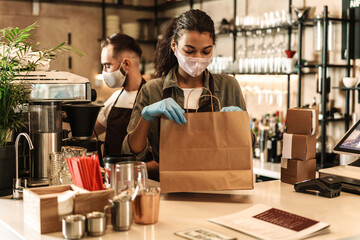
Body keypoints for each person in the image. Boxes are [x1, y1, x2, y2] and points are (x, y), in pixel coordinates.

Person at [122, 9, 251, 177]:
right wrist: (146, 116)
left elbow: (246, 146)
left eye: (206, 51)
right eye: (189, 51)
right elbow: (132, 151)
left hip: (219, 186)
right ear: (174, 46)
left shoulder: (229, 86)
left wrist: (243, 125)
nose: (198, 58)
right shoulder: (152, 90)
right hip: (170, 187)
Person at [94, 33, 146, 156]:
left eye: (107, 65)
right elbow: (91, 132)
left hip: (138, 174)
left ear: (126, 64)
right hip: (110, 173)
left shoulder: (152, 97)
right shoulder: (115, 98)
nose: (104, 72)